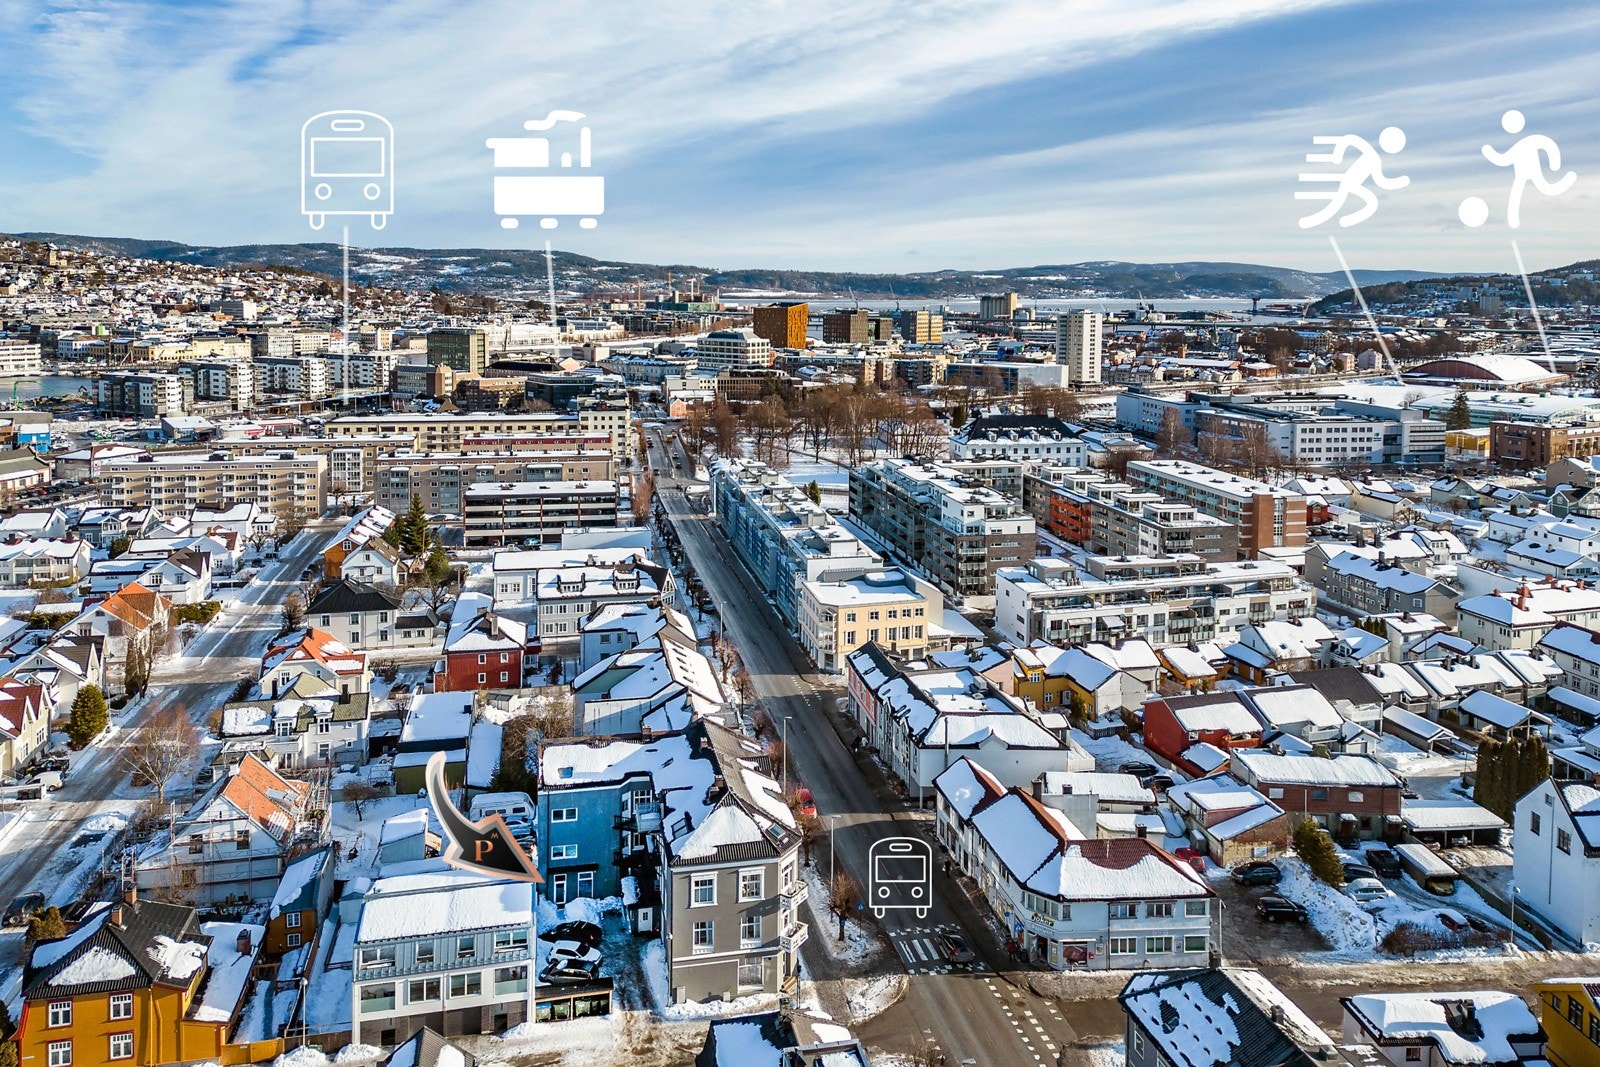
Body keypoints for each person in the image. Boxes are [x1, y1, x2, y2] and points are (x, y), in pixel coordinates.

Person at [1296, 126, 1409, 229]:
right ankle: (1313, 222)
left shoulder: (1375, 159)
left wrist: (1401, 182)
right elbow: (1349, 139)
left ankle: (1336, 221)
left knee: (1340, 205)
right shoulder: (1371, 154)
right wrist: (1337, 156)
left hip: (1353, 184)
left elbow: (1381, 181)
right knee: (1338, 205)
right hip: (1348, 182)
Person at [1481, 109, 1577, 228]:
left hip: (1530, 173)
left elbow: (1548, 145)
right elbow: (1502, 159)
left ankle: (1569, 179)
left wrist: (1555, 163)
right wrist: (1488, 151)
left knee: (1542, 189)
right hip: (1522, 175)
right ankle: (1513, 220)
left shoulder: (1529, 142)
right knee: (1533, 190)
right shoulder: (1527, 143)